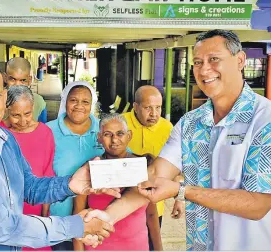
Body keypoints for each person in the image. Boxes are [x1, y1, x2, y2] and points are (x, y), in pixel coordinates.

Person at [84, 30, 271, 251]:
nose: (204, 69)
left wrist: (181, 191)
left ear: (240, 60)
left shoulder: (270, 122)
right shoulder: (191, 123)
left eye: (214, 59)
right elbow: (154, 175)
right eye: (197, 62)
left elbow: (258, 204)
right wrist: (107, 216)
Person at [0, 58, 118, 250]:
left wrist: (70, 184)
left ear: (4, 96)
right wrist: (77, 226)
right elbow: (4, 228)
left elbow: (29, 187)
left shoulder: (4, 138)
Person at [73, 114, 162, 251]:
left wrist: (158, 248)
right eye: (108, 134)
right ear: (99, 137)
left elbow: (151, 214)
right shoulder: (89, 170)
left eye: (120, 133)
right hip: (98, 247)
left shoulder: (142, 167)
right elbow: (77, 218)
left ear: (129, 136)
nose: (114, 140)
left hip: (136, 246)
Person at [46, 80, 104, 251]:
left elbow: (122, 156)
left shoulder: (103, 129)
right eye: (73, 100)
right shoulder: (48, 131)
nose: (79, 106)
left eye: (85, 102)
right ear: (65, 102)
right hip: (59, 219)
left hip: (96, 217)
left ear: (92, 105)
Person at [123, 85, 184, 243]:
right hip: (124, 203)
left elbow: (176, 168)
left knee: (152, 243)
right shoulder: (121, 124)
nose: (154, 114)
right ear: (135, 107)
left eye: (158, 108)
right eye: (148, 108)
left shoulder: (167, 128)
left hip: (155, 205)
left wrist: (180, 198)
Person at [0, 85, 56, 251]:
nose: (23, 121)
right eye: (16, 115)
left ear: (33, 108)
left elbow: (47, 175)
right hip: (5, 213)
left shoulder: (45, 133)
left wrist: (45, 217)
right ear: (6, 109)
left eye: (27, 114)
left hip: (35, 213)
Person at [5, 57, 47, 123]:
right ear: (5, 78)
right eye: (13, 79)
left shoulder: (39, 102)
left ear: (29, 80)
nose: (17, 85)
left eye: (23, 80)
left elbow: (41, 129)